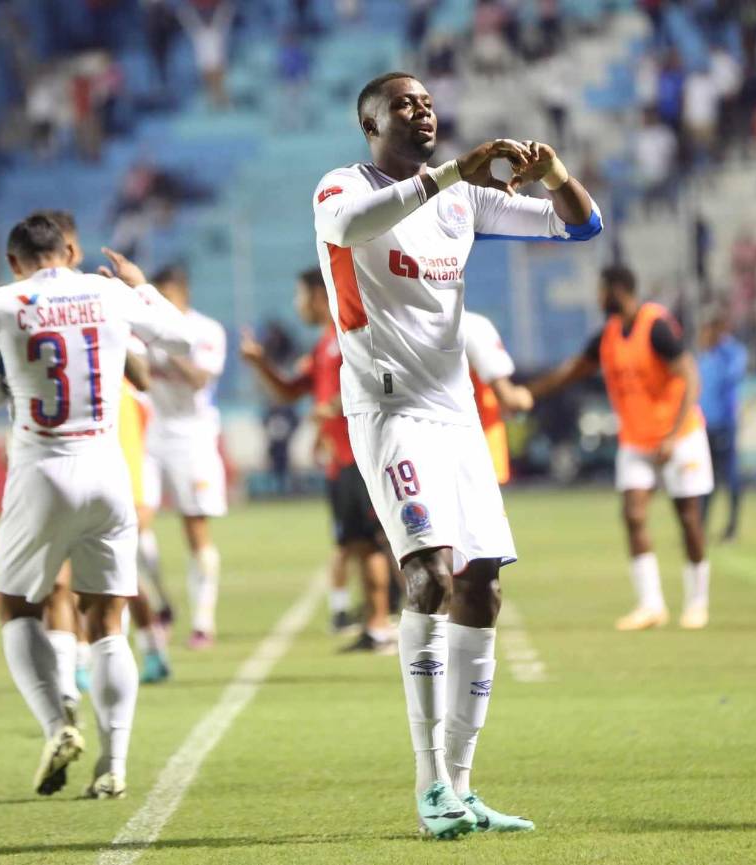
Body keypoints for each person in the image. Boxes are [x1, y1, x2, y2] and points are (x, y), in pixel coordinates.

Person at [312, 71, 601, 838]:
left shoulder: (466, 198)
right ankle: (428, 782)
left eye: (428, 101)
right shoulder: (341, 187)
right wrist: (452, 174)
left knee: (481, 586)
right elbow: (349, 231)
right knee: (429, 572)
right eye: (403, 103)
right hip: (390, 411)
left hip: (457, 414)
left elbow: (582, 227)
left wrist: (555, 174)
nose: (422, 109)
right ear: (370, 123)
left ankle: (464, 784)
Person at [0, 215, 191, 798]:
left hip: (41, 470)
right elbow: (178, 336)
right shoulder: (107, 291)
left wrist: (7, 370)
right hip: (108, 468)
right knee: (108, 621)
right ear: (69, 250)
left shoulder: (0, 302)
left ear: (16, 262)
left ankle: (58, 723)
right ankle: (113, 764)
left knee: (16, 604)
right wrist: (140, 284)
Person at [528, 265, 713, 632]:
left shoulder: (656, 327)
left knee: (688, 517)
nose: (597, 299)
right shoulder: (608, 337)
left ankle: (697, 603)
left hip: (679, 436)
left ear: (617, 290)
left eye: (601, 291)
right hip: (636, 441)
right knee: (632, 514)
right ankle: (651, 605)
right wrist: (525, 394)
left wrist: (674, 435)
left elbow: (690, 376)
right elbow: (570, 371)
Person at [240, 267, 394, 652]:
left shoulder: (353, 334)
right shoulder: (323, 344)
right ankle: (376, 626)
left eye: (299, 296)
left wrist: (336, 406)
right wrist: (260, 363)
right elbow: (292, 392)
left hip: (365, 454)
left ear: (318, 296)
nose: (297, 306)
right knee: (359, 544)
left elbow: (381, 379)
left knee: (376, 543)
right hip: (340, 460)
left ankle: (393, 621)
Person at [136, 265, 229, 650]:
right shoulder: (144, 331)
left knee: (196, 529)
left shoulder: (205, 331)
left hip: (193, 438)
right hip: (153, 434)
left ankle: (203, 623)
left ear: (182, 292)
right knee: (137, 523)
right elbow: (136, 377)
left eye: (166, 295)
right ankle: (161, 604)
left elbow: (199, 379)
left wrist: (167, 349)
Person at [462, 311, 533, 485]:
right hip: (476, 453)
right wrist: (524, 397)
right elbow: (508, 398)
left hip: (424, 451)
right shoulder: (473, 327)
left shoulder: (403, 327)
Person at [697, 306, 747, 541]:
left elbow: (734, 376)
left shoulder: (730, 353)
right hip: (704, 424)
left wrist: (723, 344)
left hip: (724, 423)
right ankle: (700, 527)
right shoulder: (705, 356)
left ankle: (732, 527)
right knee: (705, 478)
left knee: (729, 476)